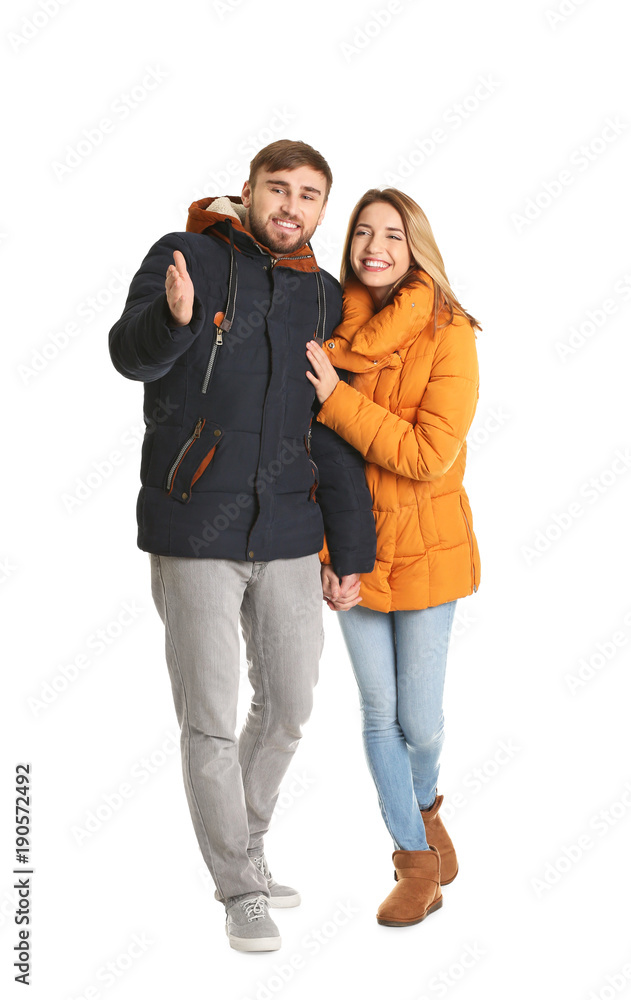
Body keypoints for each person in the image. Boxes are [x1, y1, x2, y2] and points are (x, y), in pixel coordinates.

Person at [108, 140, 376, 952]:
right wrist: (174, 319)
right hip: (196, 528)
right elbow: (130, 354)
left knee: (290, 705)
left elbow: (331, 430)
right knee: (211, 722)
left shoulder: (324, 296)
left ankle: (247, 846)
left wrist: (349, 549)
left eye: (309, 195)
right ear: (250, 189)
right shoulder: (185, 254)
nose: (291, 206)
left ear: (323, 209)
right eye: (278, 189)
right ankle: (237, 889)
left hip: (290, 532)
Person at [305, 187, 481, 928]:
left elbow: (427, 454)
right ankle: (414, 861)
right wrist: (323, 552)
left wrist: (335, 400)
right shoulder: (327, 330)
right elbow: (310, 458)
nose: (373, 247)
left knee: (423, 721)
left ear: (415, 251)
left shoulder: (449, 333)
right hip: (353, 552)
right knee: (378, 714)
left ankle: (428, 805)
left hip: (427, 551)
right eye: (362, 234)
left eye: (392, 237)